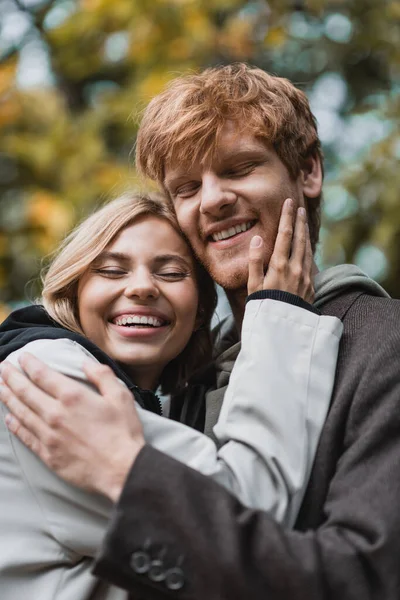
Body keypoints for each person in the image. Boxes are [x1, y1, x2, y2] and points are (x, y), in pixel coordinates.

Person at [2, 62, 399, 599]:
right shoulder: (185, 382)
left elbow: (367, 580)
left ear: (309, 172)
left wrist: (126, 471)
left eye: (238, 168)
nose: (211, 199)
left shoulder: (385, 341)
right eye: (186, 187)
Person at [0, 190, 342, 599]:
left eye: (171, 272)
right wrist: (281, 318)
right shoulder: (49, 376)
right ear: (75, 293)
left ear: (200, 311)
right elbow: (243, 511)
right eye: (112, 271)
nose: (142, 287)